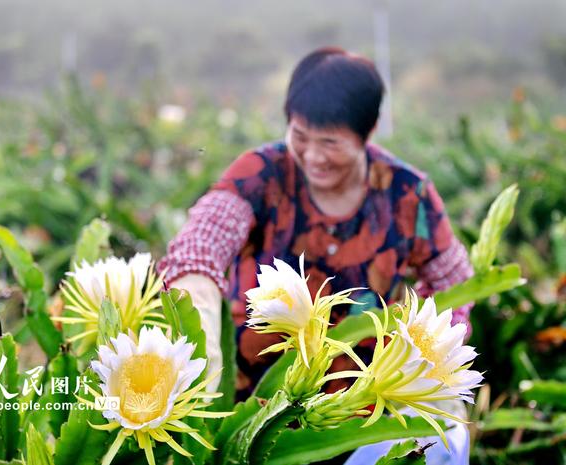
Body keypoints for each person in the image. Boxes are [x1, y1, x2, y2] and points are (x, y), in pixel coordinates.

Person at [157, 46, 474, 463]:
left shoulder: (407, 193)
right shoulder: (261, 172)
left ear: (369, 131)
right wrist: (197, 321)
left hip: (364, 409)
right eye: (300, 136)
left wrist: (423, 361)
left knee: (444, 440)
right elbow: (206, 236)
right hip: (247, 406)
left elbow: (455, 282)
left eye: (330, 142)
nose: (311, 156)